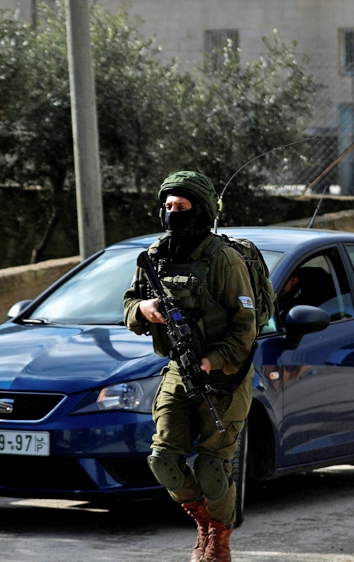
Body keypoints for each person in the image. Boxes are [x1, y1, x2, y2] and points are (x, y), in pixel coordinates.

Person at [123, 171, 256, 562]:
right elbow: (130, 304)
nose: (171, 214)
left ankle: (219, 538)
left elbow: (244, 330)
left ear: (199, 210)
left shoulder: (225, 260)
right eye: (166, 207)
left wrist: (210, 360)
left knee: (215, 466)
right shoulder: (154, 256)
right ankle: (203, 521)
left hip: (224, 375)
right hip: (178, 370)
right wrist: (145, 310)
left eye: (180, 208)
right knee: (162, 459)